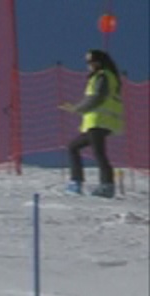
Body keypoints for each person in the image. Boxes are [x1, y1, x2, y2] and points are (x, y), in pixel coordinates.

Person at [60, 49, 124, 198]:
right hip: (95, 122)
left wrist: (76, 108)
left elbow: (97, 97)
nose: (88, 65)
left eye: (90, 61)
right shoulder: (101, 77)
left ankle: (106, 186)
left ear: (98, 62)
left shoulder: (103, 77)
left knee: (98, 153)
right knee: (73, 147)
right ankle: (77, 182)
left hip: (100, 121)